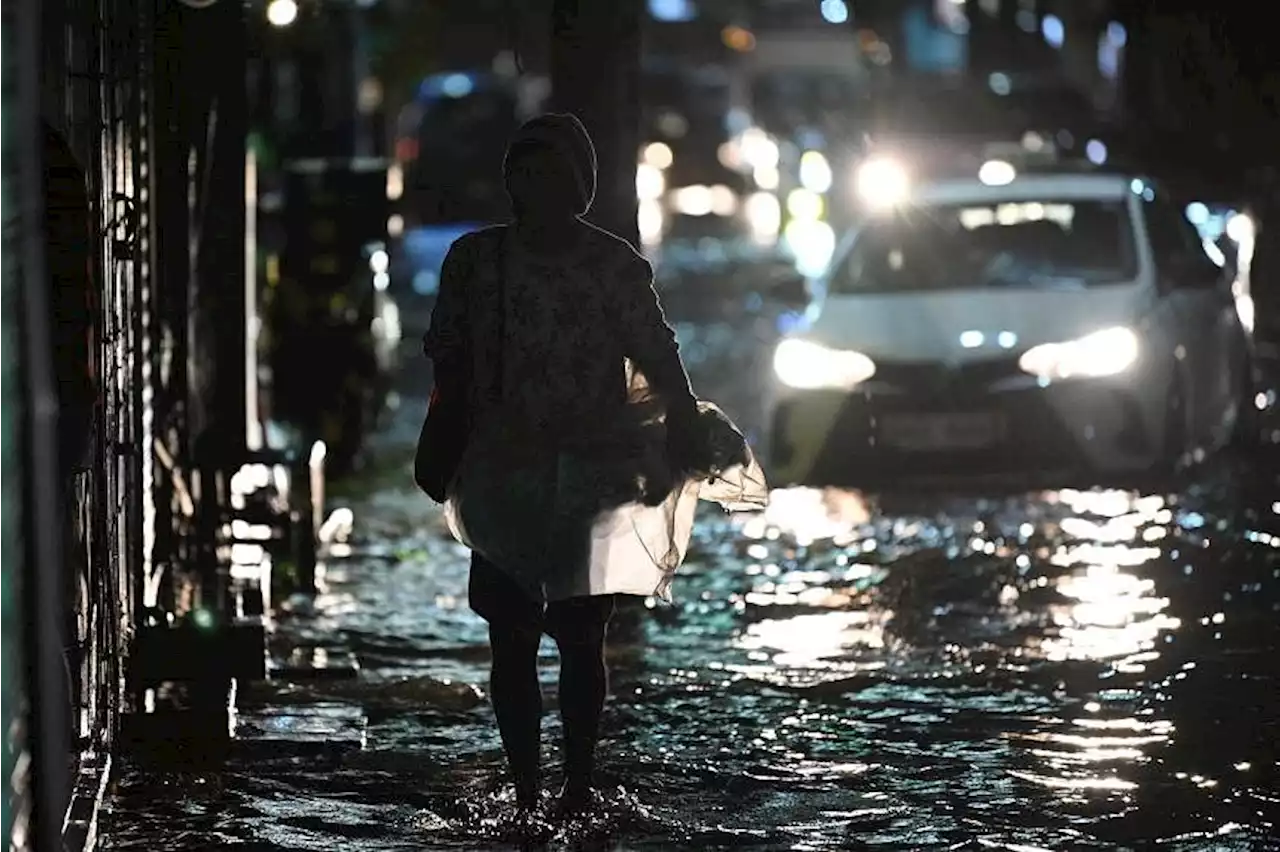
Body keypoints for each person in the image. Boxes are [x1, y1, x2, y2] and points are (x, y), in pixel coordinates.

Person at [423, 113, 717, 815]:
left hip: (588, 474)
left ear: (579, 184)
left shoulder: (613, 266)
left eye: (554, 172)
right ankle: (528, 792)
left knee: (583, 638)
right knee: (511, 636)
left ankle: (576, 789)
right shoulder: (474, 262)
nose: (539, 186)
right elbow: (448, 359)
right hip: (501, 471)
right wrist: (443, 438)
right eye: (526, 172)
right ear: (511, 182)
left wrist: (681, 419)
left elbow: (658, 353)